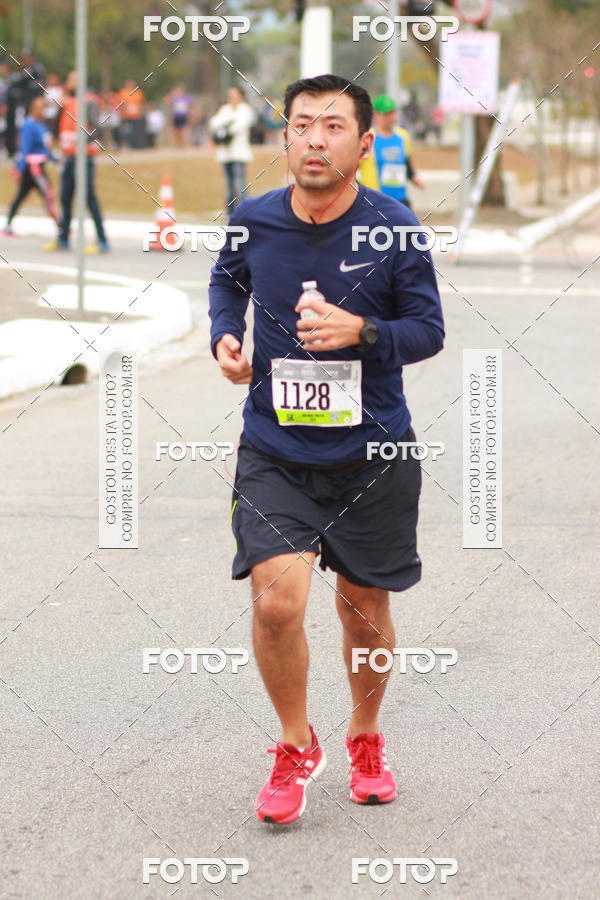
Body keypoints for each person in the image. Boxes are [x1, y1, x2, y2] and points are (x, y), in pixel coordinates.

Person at [208, 74, 444, 825]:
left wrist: (361, 331)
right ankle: (294, 742)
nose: (315, 138)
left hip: (373, 455)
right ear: (284, 136)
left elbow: (429, 331)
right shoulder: (253, 219)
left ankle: (365, 735)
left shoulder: (394, 227)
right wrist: (225, 335)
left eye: (333, 125)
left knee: (362, 611)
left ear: (364, 144)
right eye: (303, 123)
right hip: (274, 451)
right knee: (277, 601)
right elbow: (226, 281)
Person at [52, 70, 109, 252]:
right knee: (65, 197)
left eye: (72, 79)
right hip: (68, 157)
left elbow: (97, 129)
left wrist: (81, 140)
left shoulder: (89, 101)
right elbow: (56, 126)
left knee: (89, 198)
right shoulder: (67, 102)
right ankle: (63, 238)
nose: (68, 82)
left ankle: (102, 240)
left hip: (84, 158)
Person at [3, 95, 60, 237]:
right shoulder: (29, 125)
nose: (43, 111)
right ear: (33, 109)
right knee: (48, 194)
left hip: (38, 166)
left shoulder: (41, 126)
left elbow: (45, 149)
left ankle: (7, 226)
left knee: (21, 196)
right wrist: (20, 169)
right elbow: (25, 149)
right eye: (41, 108)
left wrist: (55, 158)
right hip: (33, 168)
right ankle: (62, 227)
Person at [358, 94, 426, 210]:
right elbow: (352, 167)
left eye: (393, 113)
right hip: (375, 201)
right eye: (386, 114)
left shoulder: (403, 136)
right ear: (376, 115)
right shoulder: (367, 138)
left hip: (400, 199)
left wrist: (414, 177)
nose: (390, 117)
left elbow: (406, 163)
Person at [208, 86, 255, 214]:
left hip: (239, 154)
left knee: (239, 184)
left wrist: (225, 127)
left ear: (240, 96)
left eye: (234, 95)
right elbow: (214, 123)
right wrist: (226, 126)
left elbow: (239, 126)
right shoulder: (224, 110)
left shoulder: (245, 110)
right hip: (225, 154)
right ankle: (230, 213)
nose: (231, 98)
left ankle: (244, 212)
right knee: (229, 186)